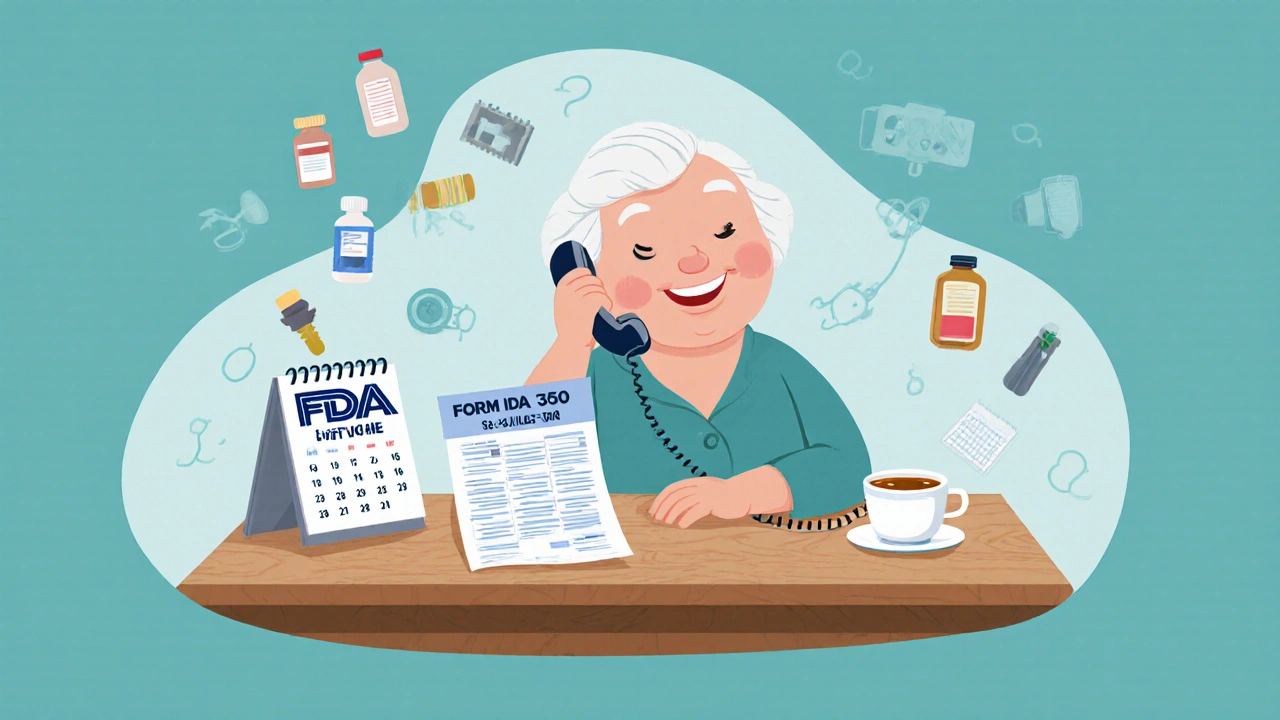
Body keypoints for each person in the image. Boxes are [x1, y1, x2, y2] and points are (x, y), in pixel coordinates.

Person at [527, 122, 871, 528]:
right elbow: (523, 479)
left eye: (725, 231)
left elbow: (851, 467)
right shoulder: (590, 375)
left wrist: (744, 494)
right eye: (645, 250)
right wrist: (570, 344)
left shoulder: (780, 366)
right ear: (591, 276)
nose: (695, 261)